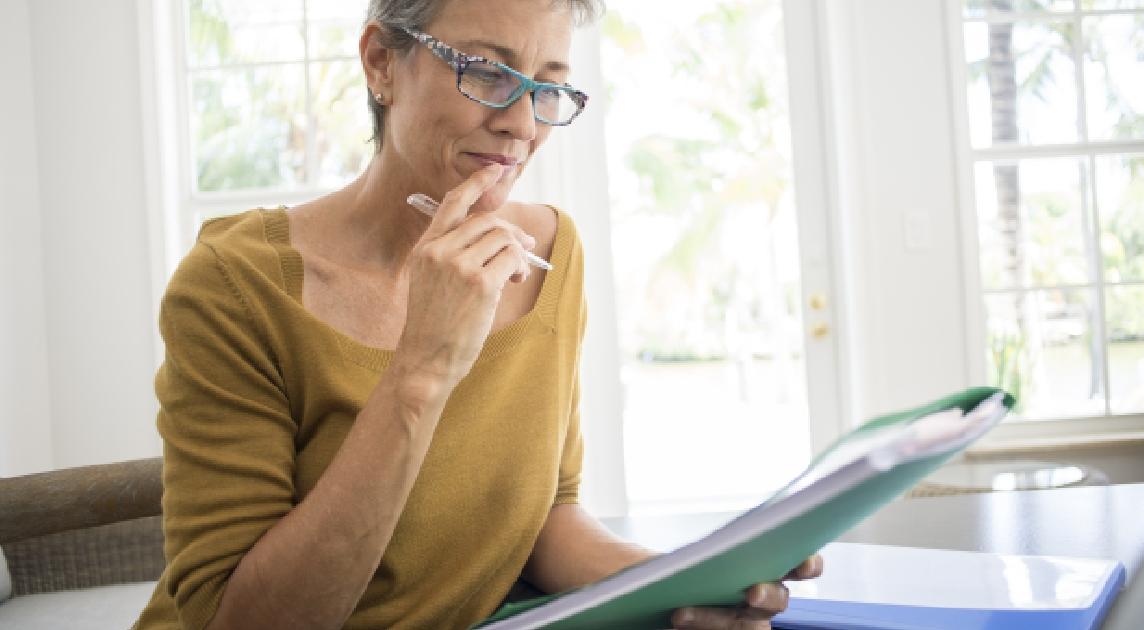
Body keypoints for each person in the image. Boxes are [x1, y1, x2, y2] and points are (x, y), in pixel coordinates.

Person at [133, 1, 821, 628]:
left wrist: (683, 583)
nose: (522, 126)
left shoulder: (550, 253)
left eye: (546, 88)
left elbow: (545, 518)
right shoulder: (235, 286)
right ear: (381, 63)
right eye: (488, 73)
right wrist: (422, 369)